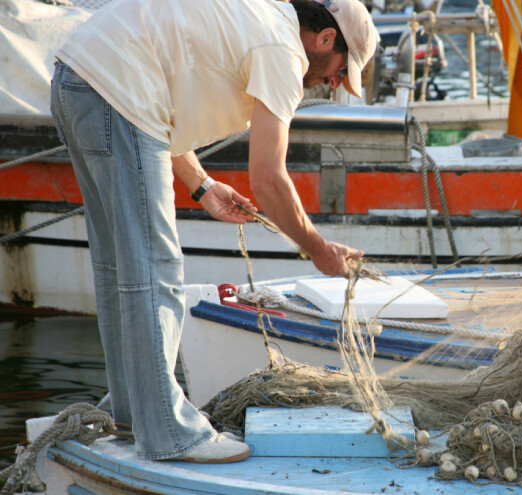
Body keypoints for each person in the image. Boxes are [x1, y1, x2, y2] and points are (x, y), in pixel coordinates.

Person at [50, 0, 379, 463]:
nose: (334, 83)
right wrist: (317, 248)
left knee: (118, 266)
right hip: (112, 89)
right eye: (341, 71)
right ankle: (168, 433)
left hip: (78, 77)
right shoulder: (284, 51)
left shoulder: (261, 17)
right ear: (325, 39)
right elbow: (268, 177)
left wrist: (202, 186)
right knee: (155, 267)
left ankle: (132, 414)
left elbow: (156, 89)